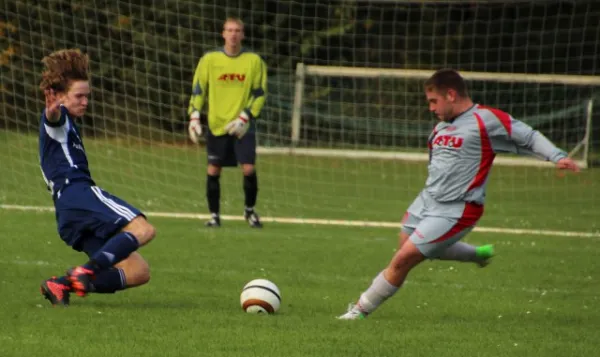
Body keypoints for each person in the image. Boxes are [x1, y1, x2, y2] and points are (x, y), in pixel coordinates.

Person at [337, 68, 580, 320]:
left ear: (451, 94)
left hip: (458, 208)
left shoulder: (486, 119)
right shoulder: (440, 129)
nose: (431, 108)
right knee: (406, 246)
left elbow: (528, 136)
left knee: (403, 259)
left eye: (434, 101)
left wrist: (557, 156)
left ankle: (358, 312)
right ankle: (477, 254)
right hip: (427, 201)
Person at [38, 49, 156, 306]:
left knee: (138, 272)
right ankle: (88, 270)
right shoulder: (59, 120)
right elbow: (52, 118)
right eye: (79, 96)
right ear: (58, 96)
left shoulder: (70, 125)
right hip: (78, 194)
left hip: (68, 212)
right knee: (143, 229)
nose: (85, 101)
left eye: (86, 96)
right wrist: (53, 110)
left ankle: (62, 284)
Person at [187, 17, 268, 228]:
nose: (233, 34)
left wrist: (245, 117)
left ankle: (249, 211)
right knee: (213, 169)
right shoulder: (209, 60)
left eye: (237, 30)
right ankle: (214, 216)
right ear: (223, 33)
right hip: (217, 124)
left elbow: (260, 93)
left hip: (243, 125)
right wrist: (194, 115)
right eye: (229, 30)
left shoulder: (254, 61)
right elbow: (198, 89)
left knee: (248, 168)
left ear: (243, 34)